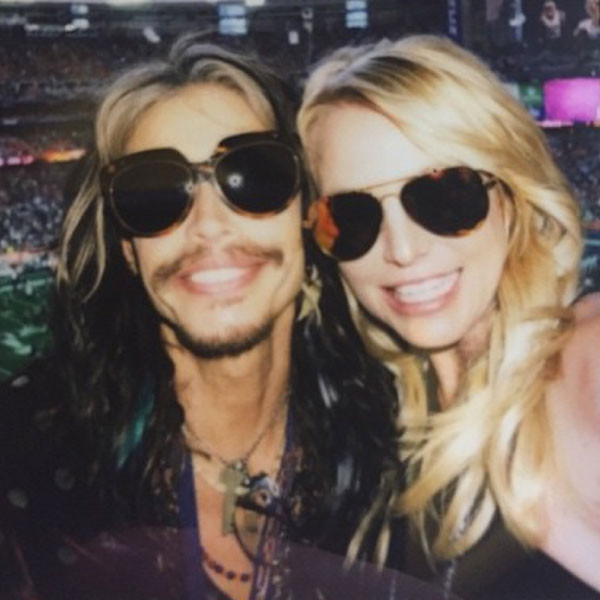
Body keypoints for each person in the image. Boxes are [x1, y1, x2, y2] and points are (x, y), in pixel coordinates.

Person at [0, 35, 428, 600]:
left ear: (309, 214)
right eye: (154, 192)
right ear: (127, 247)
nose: (208, 226)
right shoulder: (24, 461)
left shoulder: (402, 441)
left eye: (255, 176)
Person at [298, 35, 600, 599]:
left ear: (511, 196)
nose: (402, 249)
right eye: (352, 216)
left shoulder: (582, 362)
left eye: (444, 198)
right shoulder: (383, 419)